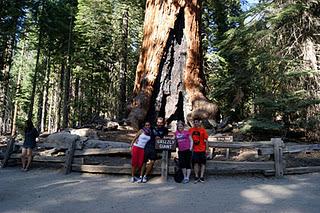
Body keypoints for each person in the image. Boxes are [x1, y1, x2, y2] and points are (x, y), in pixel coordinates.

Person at [142, 117, 168, 183]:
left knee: (152, 161)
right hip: (148, 145)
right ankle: (140, 176)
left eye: (161, 123)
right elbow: (143, 132)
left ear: (163, 123)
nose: (159, 124)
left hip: (156, 148)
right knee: (144, 161)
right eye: (158, 122)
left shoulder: (165, 129)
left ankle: (145, 176)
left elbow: (166, 137)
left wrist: (161, 138)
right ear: (156, 122)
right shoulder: (152, 128)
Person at [189, 118, 209, 183]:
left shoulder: (203, 130)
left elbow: (206, 140)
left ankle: (202, 176)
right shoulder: (191, 130)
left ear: (199, 122)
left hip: (202, 149)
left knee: (203, 163)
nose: (196, 123)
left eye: (197, 122)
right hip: (194, 150)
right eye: (194, 122)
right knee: (195, 163)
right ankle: (196, 176)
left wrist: (207, 149)